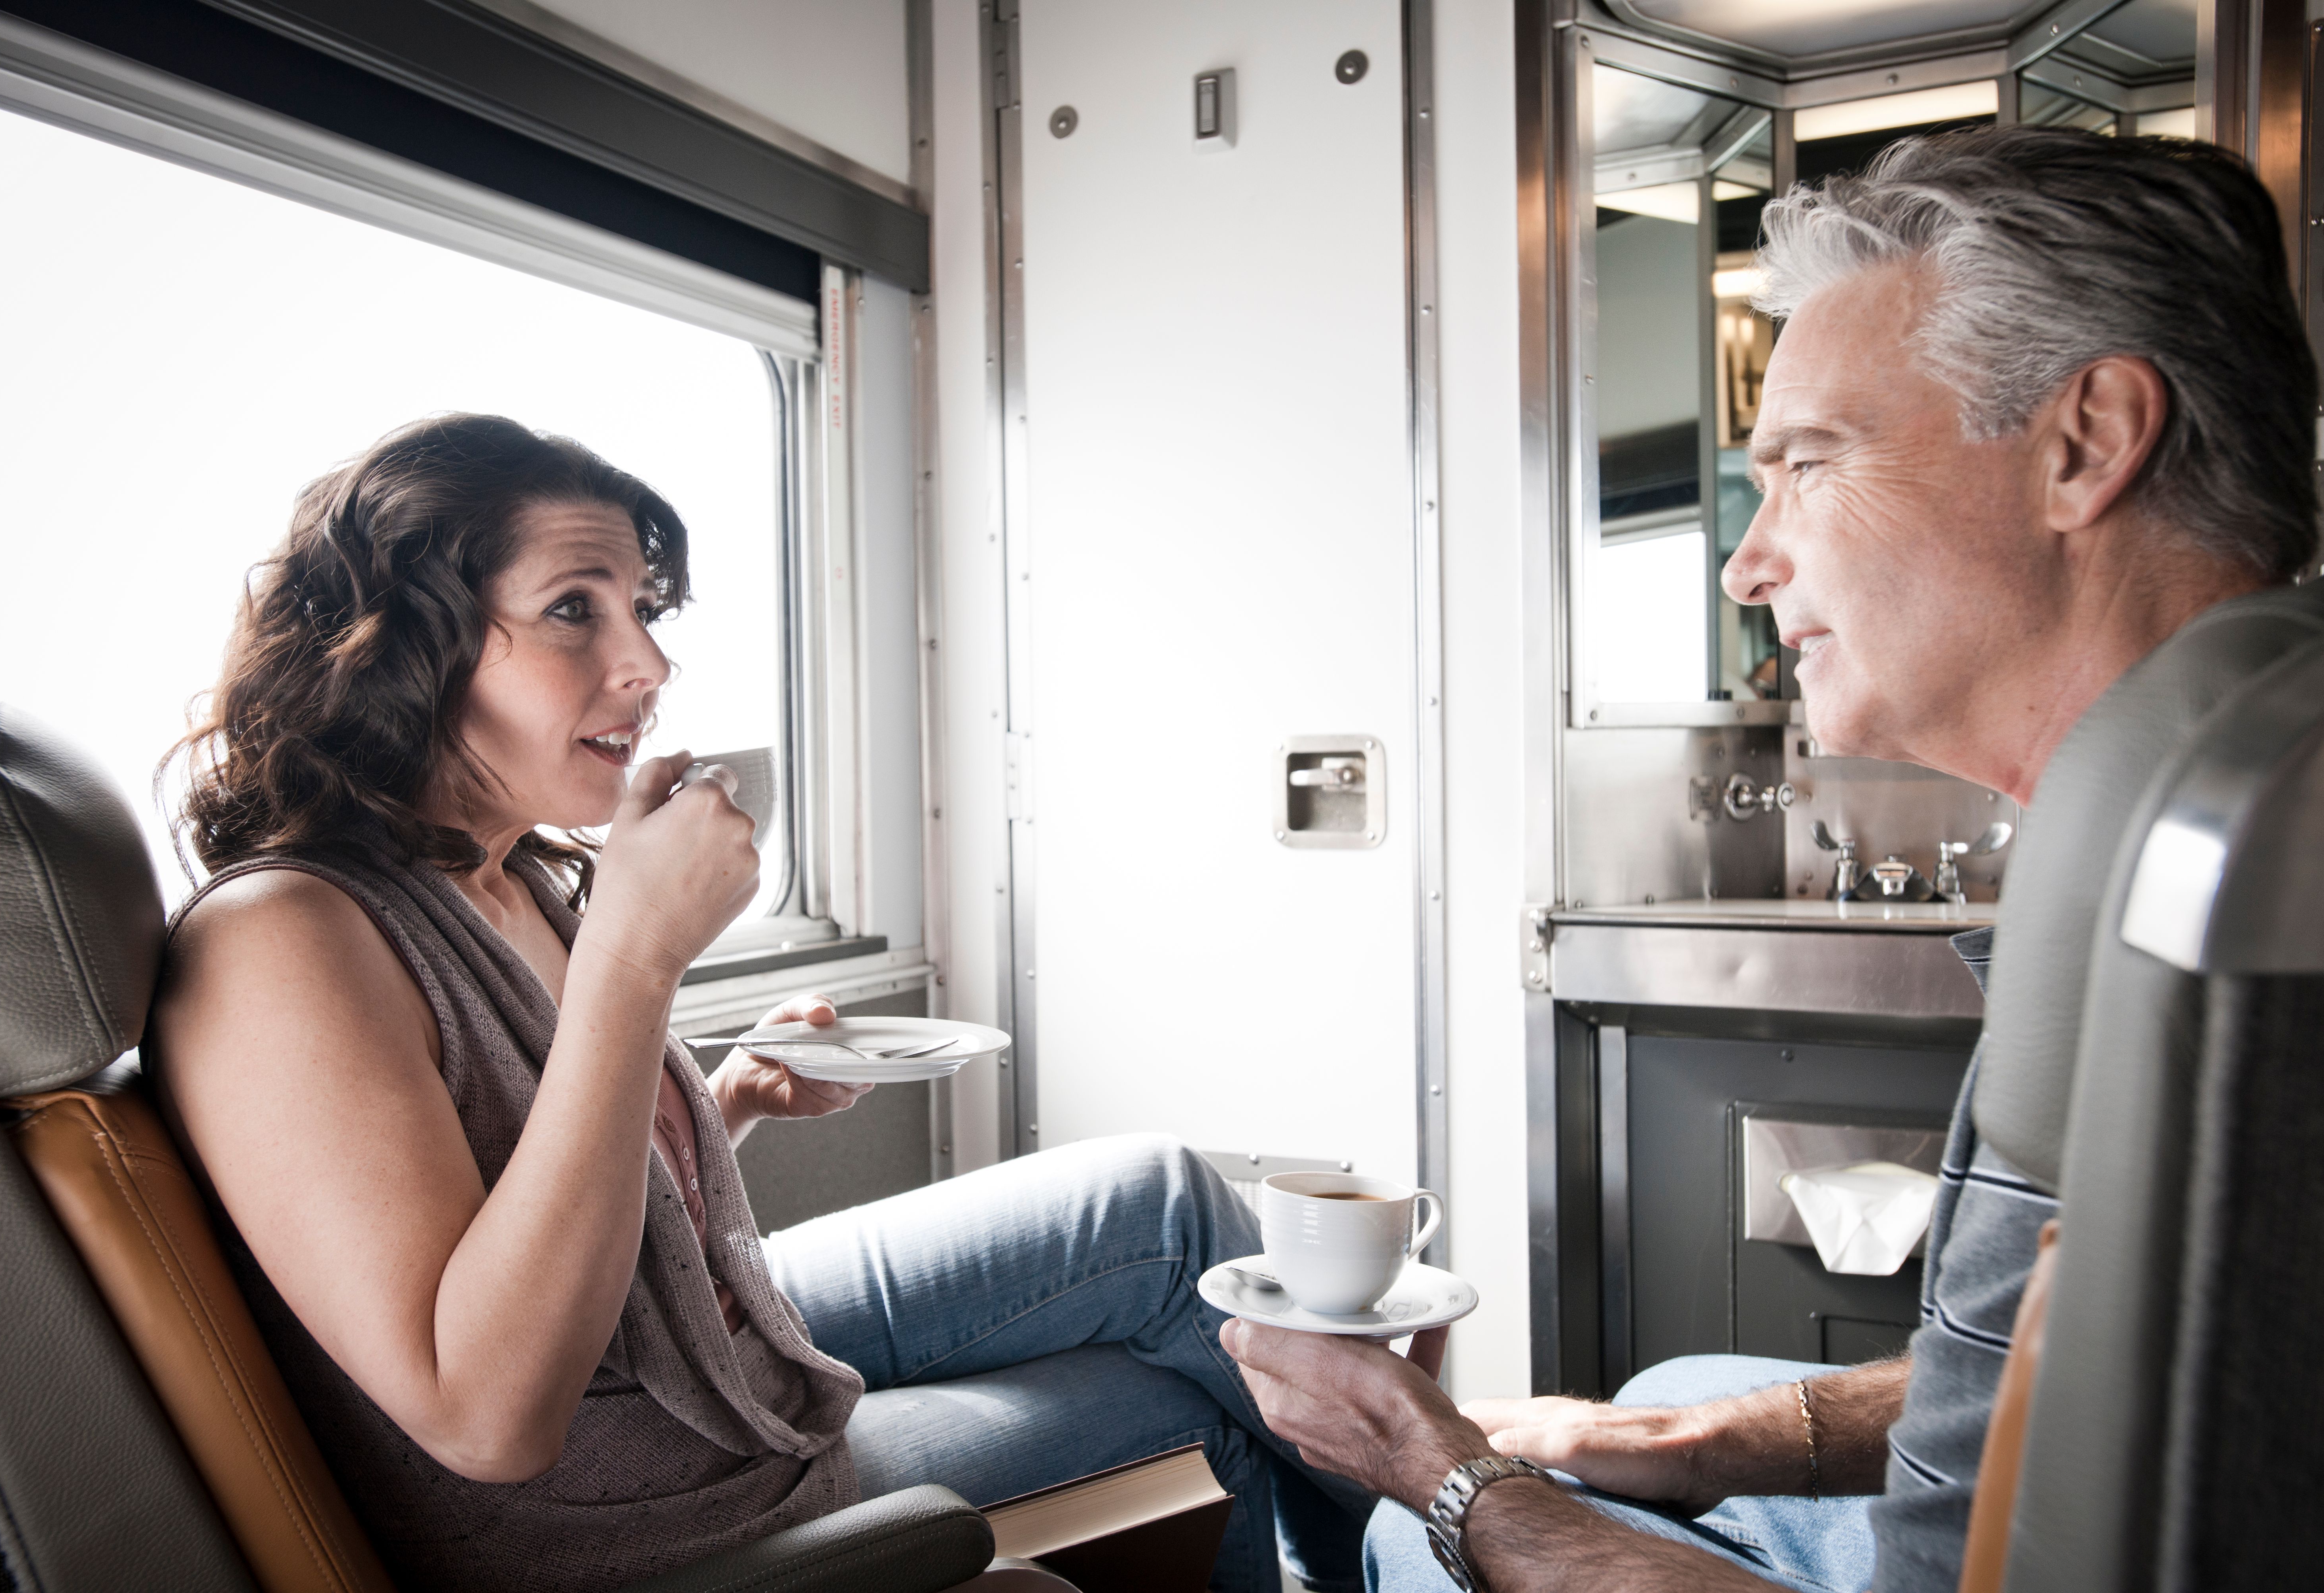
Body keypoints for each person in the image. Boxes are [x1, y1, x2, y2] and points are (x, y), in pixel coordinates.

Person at [1222, 125, 2318, 1593]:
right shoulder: (2187, 812)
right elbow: (2048, 1391)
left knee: (1407, 1544)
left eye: (1807, 463)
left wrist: (1445, 1476)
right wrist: (1695, 1439)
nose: (1747, 562)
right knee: (1660, 1378)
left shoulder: (2218, 884)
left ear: (2086, 441)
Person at [148, 413, 1365, 1593]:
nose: (650, 666)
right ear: (401, 642)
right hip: (647, 1509)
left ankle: (1439, 1528)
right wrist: (637, 960)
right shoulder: (283, 942)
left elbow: (539, 1177)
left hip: (690, 1351)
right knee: (1185, 1397)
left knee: (1153, 1200)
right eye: (575, 607)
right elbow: (485, 1413)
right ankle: (1455, 1530)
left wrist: (719, 1103)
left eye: (644, 611)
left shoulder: (513, 874)